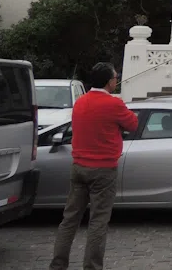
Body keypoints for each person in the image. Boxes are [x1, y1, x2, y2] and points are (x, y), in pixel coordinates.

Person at [50, 63, 139, 270]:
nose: (117, 80)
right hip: (103, 169)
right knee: (98, 221)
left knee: (69, 219)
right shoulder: (113, 104)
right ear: (109, 82)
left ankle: (58, 264)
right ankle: (92, 266)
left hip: (79, 166)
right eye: (116, 78)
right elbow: (133, 124)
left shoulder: (80, 102)